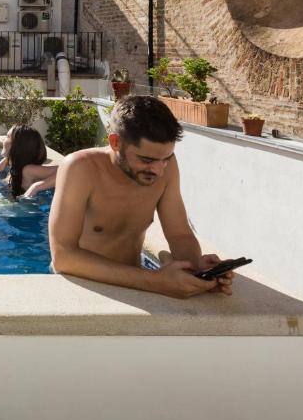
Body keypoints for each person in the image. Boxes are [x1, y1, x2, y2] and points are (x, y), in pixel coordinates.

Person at [48, 95, 234, 299]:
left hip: (135, 284)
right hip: (84, 288)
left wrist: (196, 268)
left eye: (166, 159)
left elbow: (179, 234)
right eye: (147, 160)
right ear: (115, 142)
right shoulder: (80, 168)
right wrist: (155, 281)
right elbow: (63, 256)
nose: (158, 170)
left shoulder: (165, 166)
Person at [0, 125, 60, 199]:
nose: (3, 139)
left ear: (17, 145)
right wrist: (8, 158)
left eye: (7, 136)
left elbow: (66, 171)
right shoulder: (15, 166)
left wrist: (37, 186)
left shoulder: (28, 170)